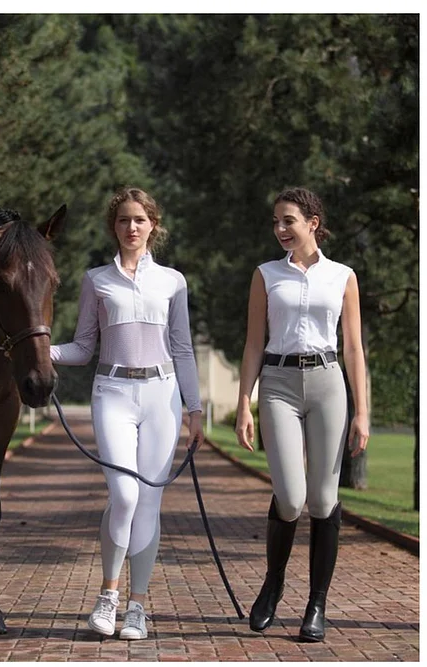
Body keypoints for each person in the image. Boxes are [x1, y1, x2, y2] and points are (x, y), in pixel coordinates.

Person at [51, 187, 204, 640]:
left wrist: (194, 409)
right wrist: (41, 349)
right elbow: (82, 347)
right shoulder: (96, 279)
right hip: (113, 391)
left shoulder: (173, 281)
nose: (131, 227)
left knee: (150, 502)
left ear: (152, 225)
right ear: (113, 227)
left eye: (139, 219)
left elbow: (182, 348)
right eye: (123, 220)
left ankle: (137, 606)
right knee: (125, 495)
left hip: (163, 394)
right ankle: (108, 595)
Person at [234, 187, 368, 643]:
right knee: (291, 498)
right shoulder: (266, 275)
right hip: (278, 384)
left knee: (324, 499)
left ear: (313, 222)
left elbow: (353, 348)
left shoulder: (343, 276)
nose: (280, 229)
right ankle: (273, 584)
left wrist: (362, 412)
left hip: (330, 382)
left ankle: (316, 604)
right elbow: (254, 343)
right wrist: (243, 404)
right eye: (275, 222)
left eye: (288, 220)